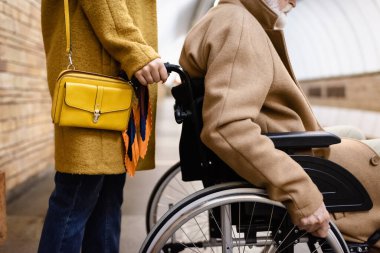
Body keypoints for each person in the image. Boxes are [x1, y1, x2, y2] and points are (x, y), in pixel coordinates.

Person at [179, 0, 380, 250]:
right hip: (292, 158)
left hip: (282, 143)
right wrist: (301, 193)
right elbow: (225, 127)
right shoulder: (239, 26)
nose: (295, 2)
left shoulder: (225, 17)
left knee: (353, 134)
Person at [38, 0, 168, 252]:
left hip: (114, 84)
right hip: (98, 85)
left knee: (107, 199)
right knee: (76, 197)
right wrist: (137, 51)